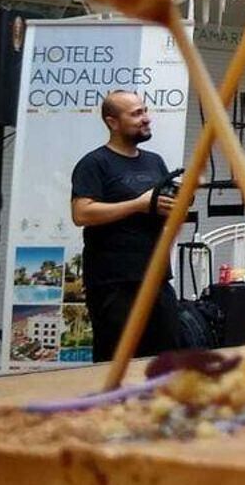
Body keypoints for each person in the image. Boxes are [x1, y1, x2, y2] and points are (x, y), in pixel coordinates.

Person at [70, 90, 181, 362]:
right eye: (136, 114)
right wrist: (137, 204)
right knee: (116, 360)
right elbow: (81, 213)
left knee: (168, 359)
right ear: (113, 122)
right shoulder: (95, 163)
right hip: (114, 283)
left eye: (144, 111)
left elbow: (160, 207)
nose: (146, 119)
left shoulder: (154, 161)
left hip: (155, 276)